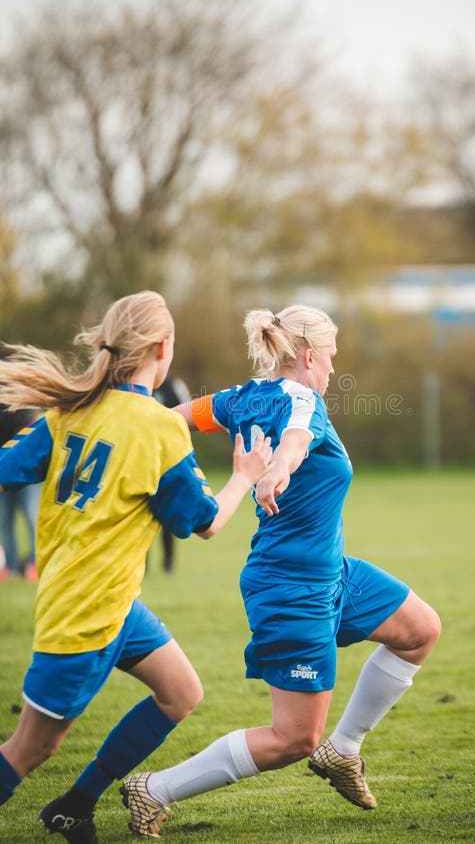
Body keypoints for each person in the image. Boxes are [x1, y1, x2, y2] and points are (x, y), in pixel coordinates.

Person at [121, 304, 441, 836]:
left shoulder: (243, 397)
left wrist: (123, 428)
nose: (335, 369)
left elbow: (172, 419)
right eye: (332, 357)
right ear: (311, 354)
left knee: (421, 630)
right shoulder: (303, 401)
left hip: (331, 573)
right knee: (294, 739)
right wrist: (275, 471)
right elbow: (294, 441)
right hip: (291, 588)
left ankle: (344, 753)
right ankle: (153, 789)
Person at [0, 291, 272, 844]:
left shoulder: (67, 413)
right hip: (85, 617)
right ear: (161, 349)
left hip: (110, 603)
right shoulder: (158, 427)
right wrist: (245, 474)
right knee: (30, 750)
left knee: (181, 693)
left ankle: (76, 805)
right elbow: (206, 522)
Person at [152, 373, 193, 572]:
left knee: (168, 515)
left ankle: (168, 563)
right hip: (142, 460)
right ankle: (142, 566)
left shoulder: (174, 385)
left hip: (168, 461)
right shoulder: (139, 386)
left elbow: (188, 415)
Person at [0, 406, 40, 581]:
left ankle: (34, 563)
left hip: (26, 469)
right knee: (4, 521)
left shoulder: (22, 398)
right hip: (2, 467)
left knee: (32, 518)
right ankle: (11, 566)